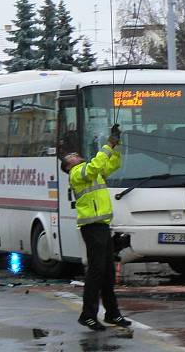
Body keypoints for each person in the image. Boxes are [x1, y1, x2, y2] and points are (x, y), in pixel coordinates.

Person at [60, 125, 132, 331]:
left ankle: (112, 314)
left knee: (107, 272)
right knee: (96, 272)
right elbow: (95, 166)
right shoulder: (77, 173)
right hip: (92, 227)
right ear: (68, 166)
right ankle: (87, 315)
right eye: (72, 156)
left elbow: (112, 164)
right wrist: (108, 143)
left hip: (101, 227)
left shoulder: (91, 172)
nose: (76, 155)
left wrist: (116, 146)